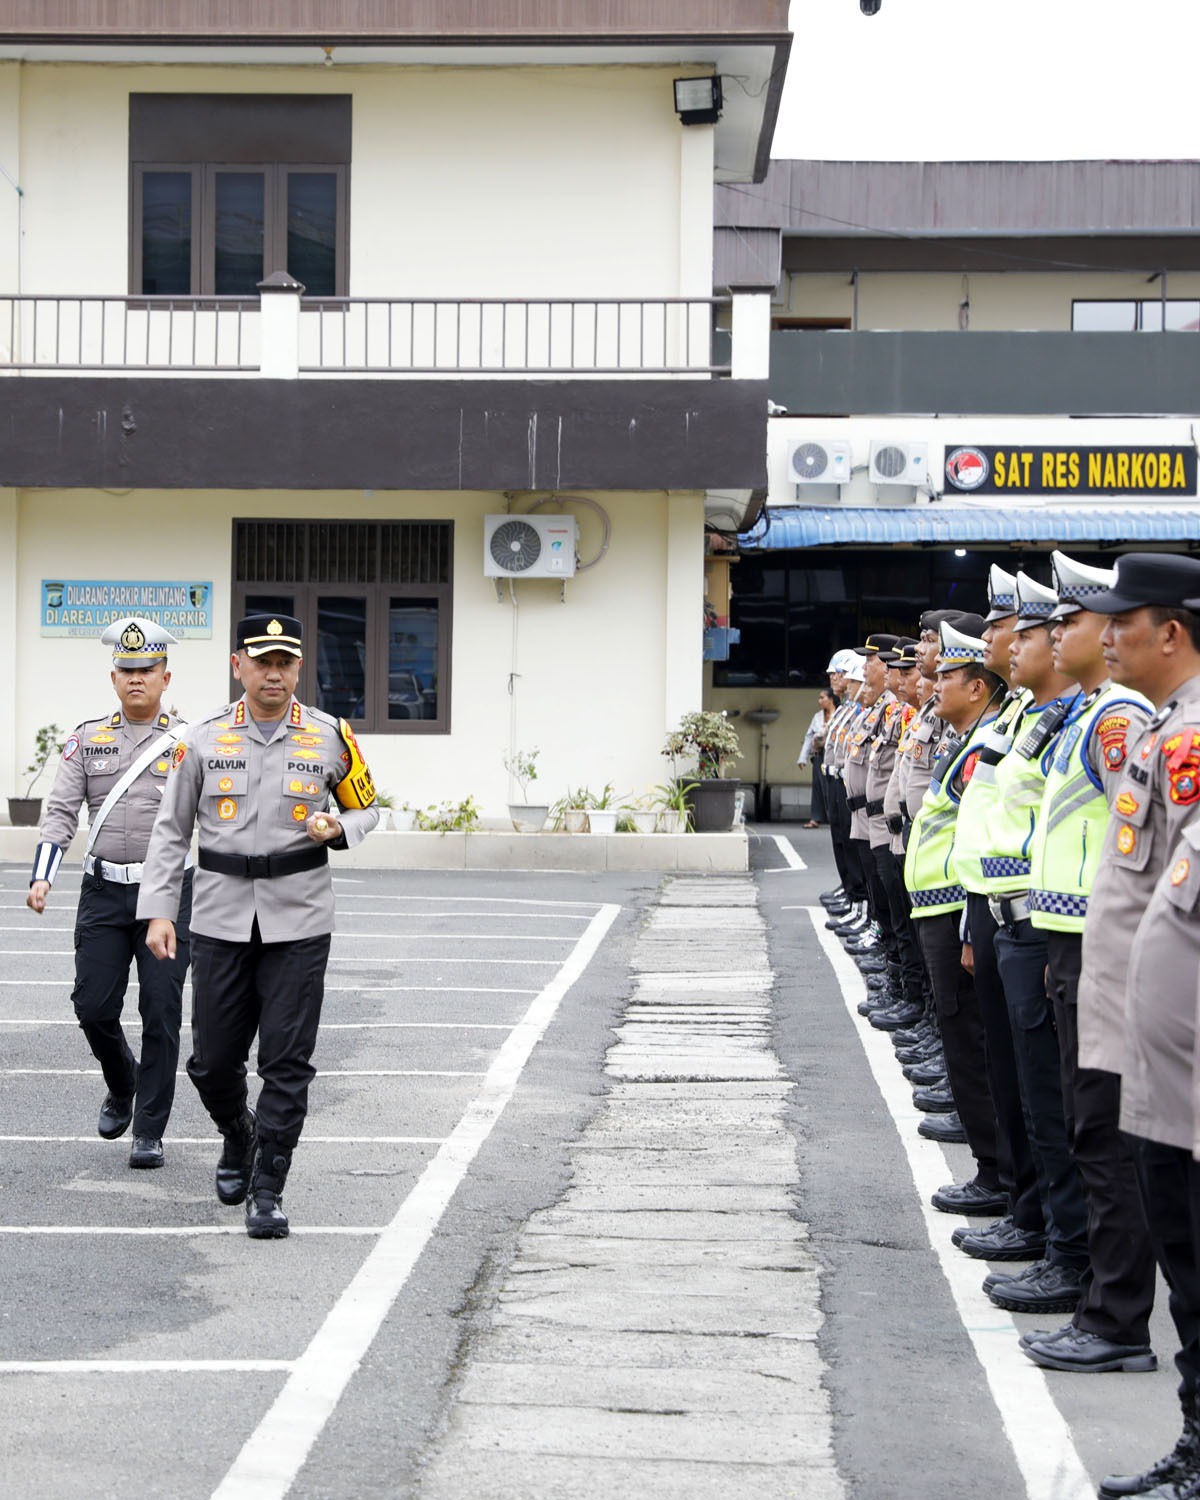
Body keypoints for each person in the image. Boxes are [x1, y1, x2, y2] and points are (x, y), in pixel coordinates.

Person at [137, 613, 380, 1239]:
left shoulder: (332, 735)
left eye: (286, 663)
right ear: (237, 665)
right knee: (211, 1063)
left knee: (287, 1061)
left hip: (299, 918)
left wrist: (341, 829)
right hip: (218, 917)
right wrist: (160, 910)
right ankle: (239, 1133)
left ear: (299, 669)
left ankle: (268, 1187)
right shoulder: (201, 739)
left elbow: (368, 808)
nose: (274, 673)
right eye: (262, 661)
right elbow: (171, 832)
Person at [1072, 554, 1200, 1499]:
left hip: (1185, 1061)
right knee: (1187, 1267)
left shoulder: (1191, 737)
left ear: (1176, 631)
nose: (1109, 633)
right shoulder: (1161, 730)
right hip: (1153, 1054)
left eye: (1127, 620)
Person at [1021, 552, 1156, 1376]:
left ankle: (1116, 1318)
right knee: (1084, 1124)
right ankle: (1104, 1303)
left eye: (1073, 620)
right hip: (1080, 941)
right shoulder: (1100, 713)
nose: (1074, 634)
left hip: (1113, 949)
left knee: (1105, 1134)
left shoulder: (1120, 721)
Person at [26, 616, 191, 1171]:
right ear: (113, 676)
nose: (137, 678)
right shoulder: (86, 739)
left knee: (161, 1010)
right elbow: (60, 813)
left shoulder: (189, 743)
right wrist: (43, 876)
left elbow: (216, 817)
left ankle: (149, 1129)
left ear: (166, 676)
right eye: (127, 669)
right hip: (102, 890)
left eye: (148, 669)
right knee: (93, 1006)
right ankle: (122, 1084)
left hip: (164, 894)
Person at [799, 686, 837, 827]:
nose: (819, 700)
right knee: (817, 786)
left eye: (823, 697)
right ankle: (815, 818)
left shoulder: (839, 714)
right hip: (819, 754)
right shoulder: (818, 717)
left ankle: (833, 816)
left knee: (832, 785)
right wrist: (802, 758)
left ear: (831, 699)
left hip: (834, 755)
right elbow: (809, 737)